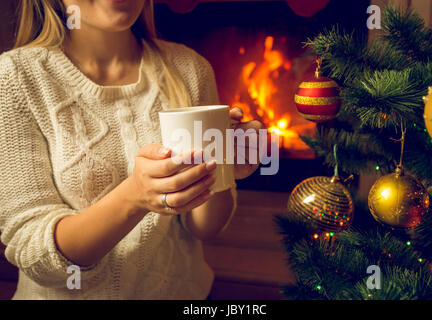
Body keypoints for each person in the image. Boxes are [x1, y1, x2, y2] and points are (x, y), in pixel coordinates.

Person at [0, 0, 262, 299]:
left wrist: (220, 168)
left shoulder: (190, 69)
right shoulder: (14, 78)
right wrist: (135, 196)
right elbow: (36, 259)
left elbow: (204, 228)